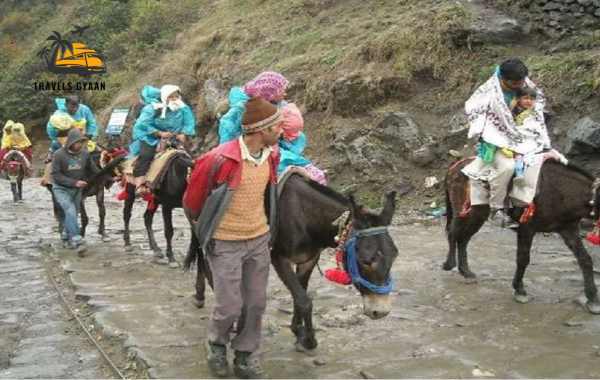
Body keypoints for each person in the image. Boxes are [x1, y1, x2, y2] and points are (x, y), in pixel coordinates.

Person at [183, 97, 282, 379]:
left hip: (259, 239)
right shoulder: (218, 159)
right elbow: (192, 202)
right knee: (229, 305)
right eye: (277, 126)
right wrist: (209, 231)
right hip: (225, 242)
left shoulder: (271, 156)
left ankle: (244, 354)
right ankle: (216, 344)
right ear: (262, 130)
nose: (282, 131)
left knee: (256, 303)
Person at [462, 58, 557, 228]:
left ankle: (527, 204)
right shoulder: (488, 95)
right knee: (508, 167)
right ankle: (495, 209)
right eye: (515, 82)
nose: (520, 85)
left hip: (524, 138)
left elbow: (537, 106)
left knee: (549, 161)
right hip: (497, 142)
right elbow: (477, 114)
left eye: (522, 81)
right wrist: (502, 135)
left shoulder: (525, 86)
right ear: (503, 79)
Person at [128, 84, 196, 195]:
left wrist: (184, 133)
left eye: (176, 96)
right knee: (146, 156)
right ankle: (140, 184)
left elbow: (189, 122)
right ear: (165, 97)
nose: (174, 99)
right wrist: (159, 133)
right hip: (151, 137)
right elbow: (142, 124)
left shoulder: (183, 107)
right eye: (171, 96)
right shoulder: (152, 108)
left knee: (189, 157)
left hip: (175, 137)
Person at [51, 128, 99, 252]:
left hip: (77, 191)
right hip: (61, 189)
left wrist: (110, 176)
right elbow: (55, 175)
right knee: (70, 210)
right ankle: (77, 240)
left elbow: (94, 170)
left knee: (72, 214)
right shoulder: (58, 155)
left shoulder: (85, 154)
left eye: (82, 142)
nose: (80, 145)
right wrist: (75, 182)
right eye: (78, 142)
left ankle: (66, 236)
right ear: (71, 142)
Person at [511, 86, 538, 182]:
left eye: (532, 99)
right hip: (516, 140)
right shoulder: (512, 112)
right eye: (526, 98)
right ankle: (519, 171)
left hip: (532, 140)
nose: (529, 101)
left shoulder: (536, 113)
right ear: (519, 99)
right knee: (520, 154)